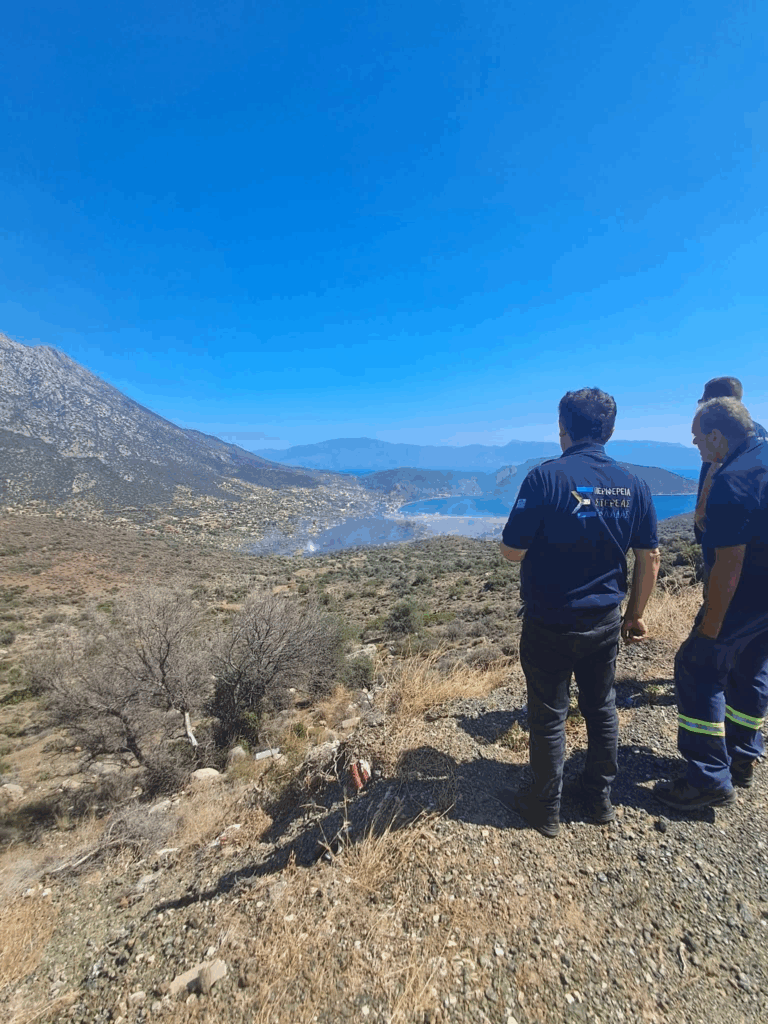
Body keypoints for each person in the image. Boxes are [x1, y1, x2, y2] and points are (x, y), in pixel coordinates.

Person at [497, 388, 660, 838]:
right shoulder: (634, 483)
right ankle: (597, 797)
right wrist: (635, 614)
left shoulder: (545, 478)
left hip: (549, 620)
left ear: (562, 427)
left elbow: (512, 551)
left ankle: (544, 806)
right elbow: (649, 557)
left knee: (549, 713)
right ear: (610, 430)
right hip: (605, 620)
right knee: (601, 707)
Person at [655, 398, 768, 809]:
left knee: (697, 667)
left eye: (698, 437)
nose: (695, 445)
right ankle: (743, 757)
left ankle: (707, 779)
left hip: (744, 598)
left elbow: (728, 564)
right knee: (752, 668)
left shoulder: (733, 479)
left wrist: (711, 628)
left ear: (717, 436)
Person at [694, 377, 768, 543]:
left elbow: (716, 465)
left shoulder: (719, 431)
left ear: (713, 400)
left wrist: (702, 507)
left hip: (726, 519)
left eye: (702, 400)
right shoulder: (760, 430)